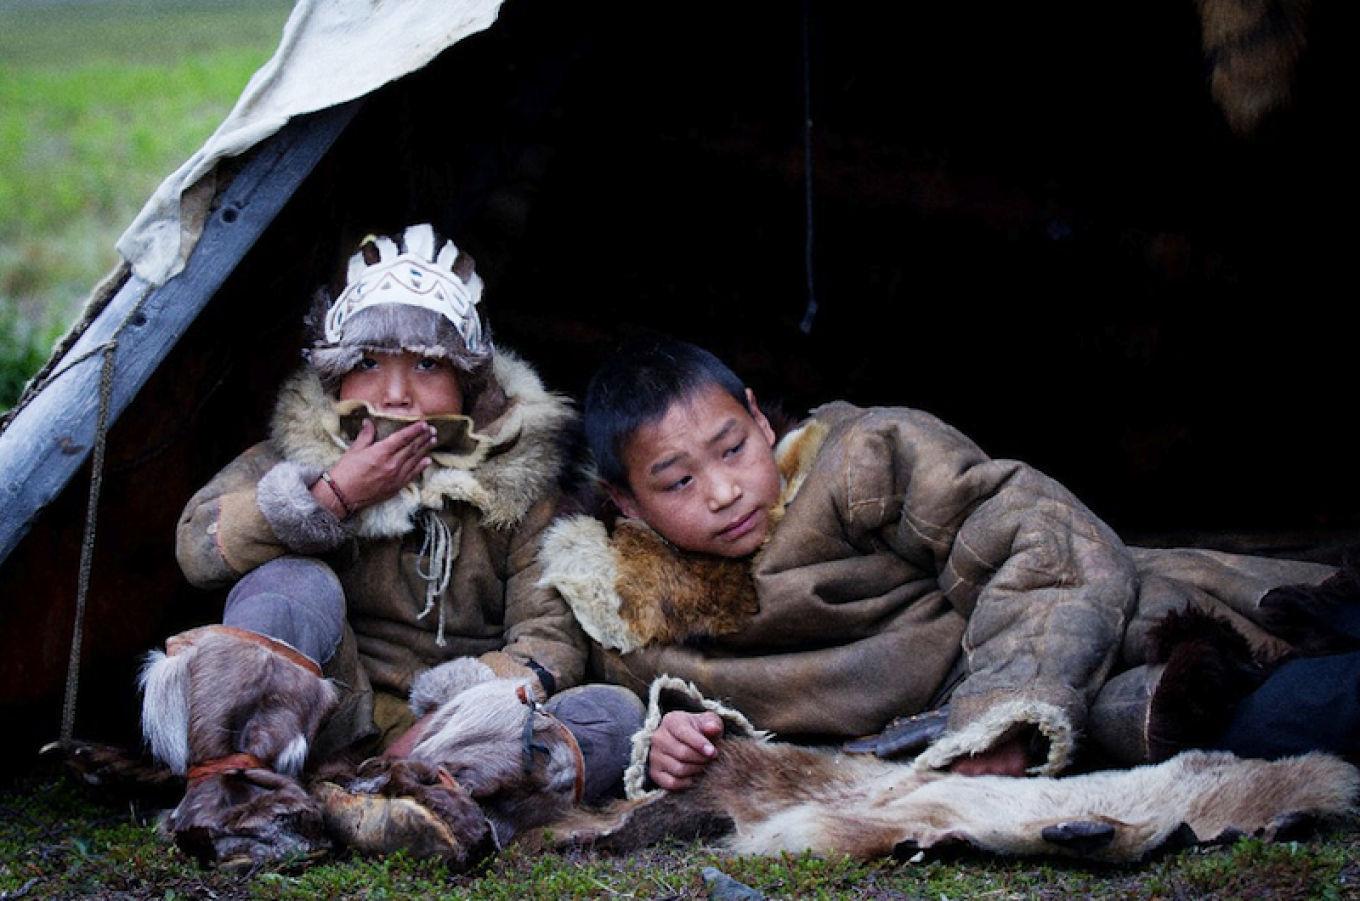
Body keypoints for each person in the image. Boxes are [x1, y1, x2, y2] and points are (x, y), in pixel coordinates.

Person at [539, 332, 1360, 797]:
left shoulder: (863, 458)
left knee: (1296, 694)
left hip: (1093, 642)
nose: (723, 490)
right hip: (983, 748)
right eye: (679, 480)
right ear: (628, 504)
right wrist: (668, 736)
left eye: (732, 447)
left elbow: (1042, 537)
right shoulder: (629, 609)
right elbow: (631, 704)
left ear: (759, 418)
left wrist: (1001, 715)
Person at [138, 224, 642, 867]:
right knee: (294, 582)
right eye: (369, 364)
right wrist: (331, 499)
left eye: (427, 366)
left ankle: (425, 807)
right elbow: (198, 548)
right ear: (335, 374)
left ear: (468, 382)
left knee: (613, 714)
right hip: (321, 723)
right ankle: (241, 798)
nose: (396, 395)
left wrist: (451, 714)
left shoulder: (524, 482)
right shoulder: (295, 455)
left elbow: (550, 640)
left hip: (456, 734)